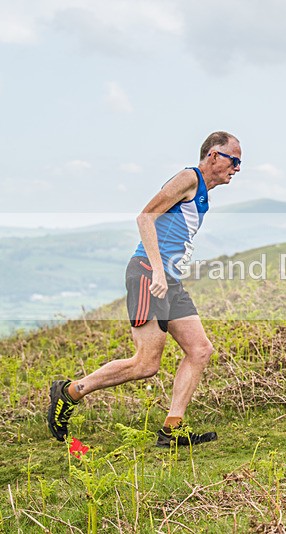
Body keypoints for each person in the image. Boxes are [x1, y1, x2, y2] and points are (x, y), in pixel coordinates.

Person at [47, 131, 242, 446]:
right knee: (146, 364)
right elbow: (145, 217)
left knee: (200, 350)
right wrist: (158, 271)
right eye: (234, 160)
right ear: (213, 156)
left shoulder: (203, 191)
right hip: (149, 275)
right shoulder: (188, 178)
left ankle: (171, 430)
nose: (237, 168)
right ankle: (70, 392)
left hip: (168, 279)